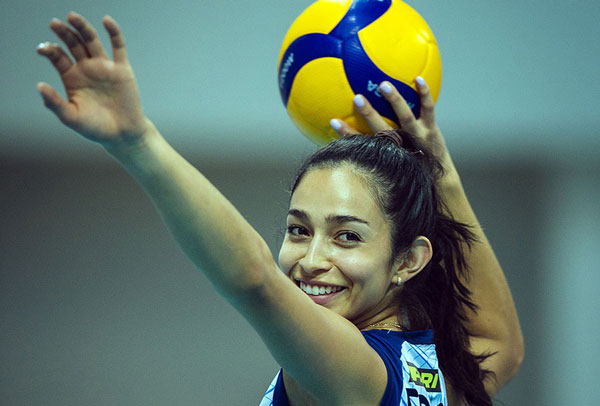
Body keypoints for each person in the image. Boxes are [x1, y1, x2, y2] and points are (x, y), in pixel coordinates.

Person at [36, 12, 523, 406]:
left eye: (347, 236)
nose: (310, 260)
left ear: (408, 260)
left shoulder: (356, 371)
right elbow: (502, 342)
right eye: (298, 230)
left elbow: (256, 281)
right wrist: (440, 170)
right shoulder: (435, 374)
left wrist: (138, 142)